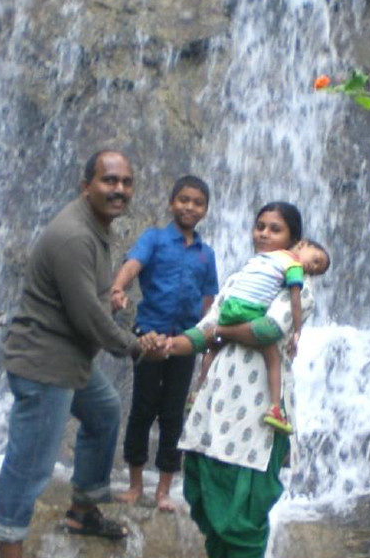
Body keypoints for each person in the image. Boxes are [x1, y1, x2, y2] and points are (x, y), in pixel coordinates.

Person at [0, 149, 162, 557]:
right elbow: (86, 317)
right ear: (86, 187)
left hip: (69, 359)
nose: (119, 190)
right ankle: (9, 546)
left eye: (126, 182)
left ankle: (82, 511)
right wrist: (134, 347)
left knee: (103, 411)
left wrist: (109, 299)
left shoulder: (96, 226)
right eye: (109, 181)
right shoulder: (75, 235)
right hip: (45, 364)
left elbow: (85, 299)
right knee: (30, 465)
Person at [155, 201, 318, 558]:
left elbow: (269, 328)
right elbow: (202, 332)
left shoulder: (296, 284)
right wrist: (167, 346)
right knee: (207, 502)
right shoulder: (240, 279)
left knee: (243, 517)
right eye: (260, 225)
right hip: (216, 408)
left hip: (257, 415)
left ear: (294, 240)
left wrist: (222, 330)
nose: (264, 233)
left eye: (275, 228)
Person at [110, 175, 219, 512]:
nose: (189, 206)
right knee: (143, 408)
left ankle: (164, 491)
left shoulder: (206, 254)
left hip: (184, 341)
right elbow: (133, 264)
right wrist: (118, 288)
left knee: (173, 414)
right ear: (172, 203)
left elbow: (209, 298)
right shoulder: (154, 239)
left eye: (197, 202)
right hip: (150, 336)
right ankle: (136, 485)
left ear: (205, 210)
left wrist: (208, 337)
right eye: (183, 199)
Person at [195, 236, 329, 434]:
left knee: (213, 347)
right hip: (250, 313)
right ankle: (275, 407)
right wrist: (298, 330)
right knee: (272, 356)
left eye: (317, 270)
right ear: (301, 244)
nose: (313, 267)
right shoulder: (292, 267)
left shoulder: (263, 260)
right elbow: (293, 303)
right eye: (316, 260)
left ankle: (197, 391)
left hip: (232, 308)